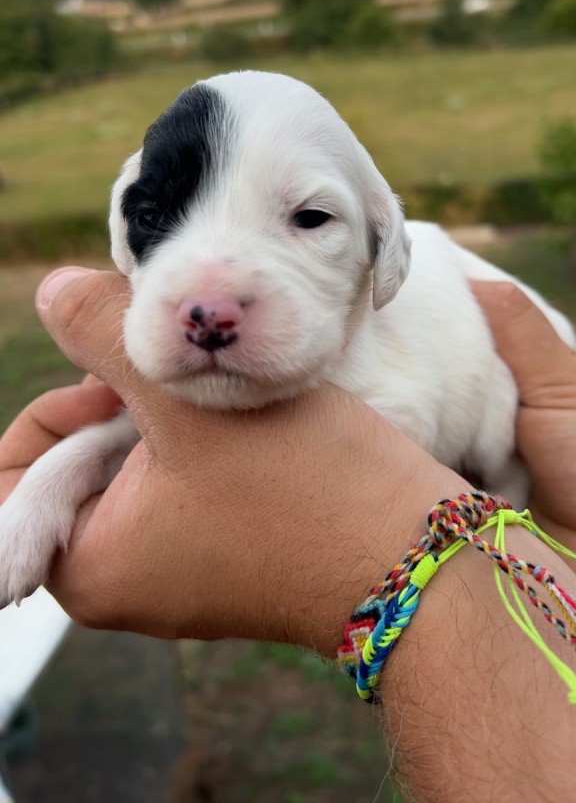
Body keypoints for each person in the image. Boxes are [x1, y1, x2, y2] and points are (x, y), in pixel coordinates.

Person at [1, 267, 575, 800]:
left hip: (503, 464)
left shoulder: (392, 329)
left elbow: (407, 421)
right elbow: (134, 433)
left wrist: (370, 557)